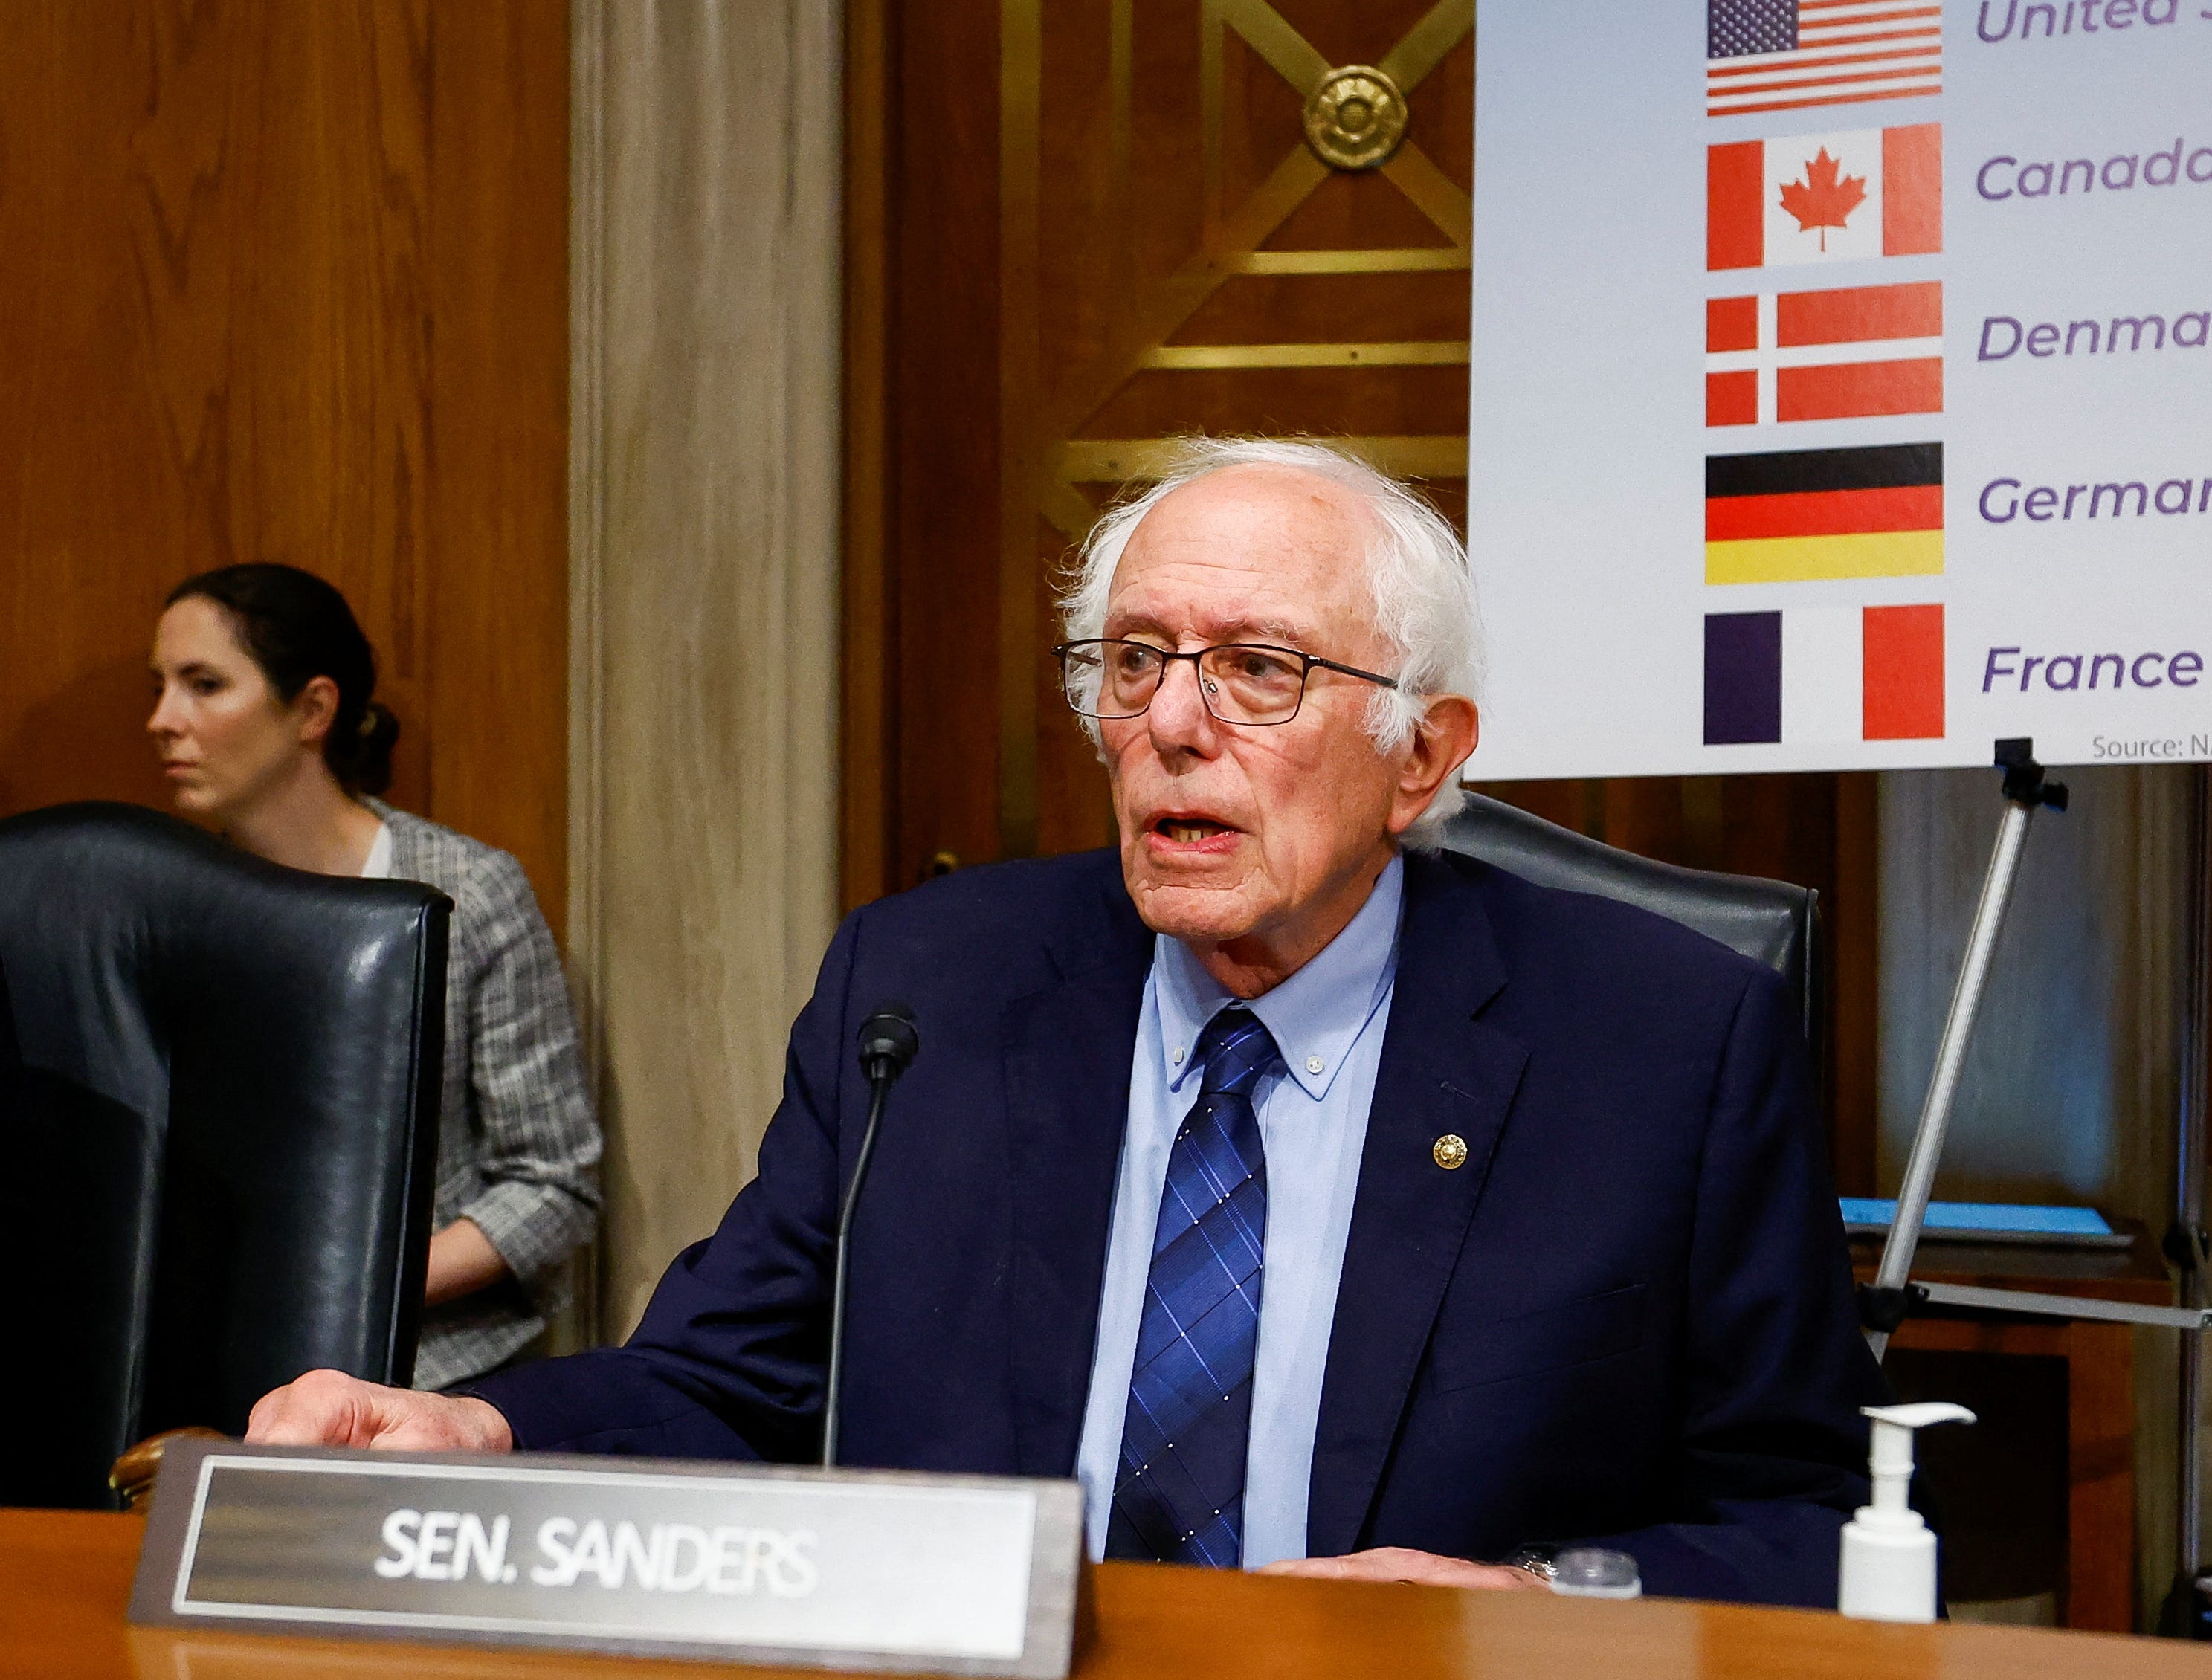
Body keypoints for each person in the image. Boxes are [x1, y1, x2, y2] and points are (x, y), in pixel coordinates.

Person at [247, 441, 1880, 1604]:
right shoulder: (932, 989)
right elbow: (735, 1383)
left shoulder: (1660, 1048)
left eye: (1256, 669)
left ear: (1422, 755)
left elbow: (1791, 1519)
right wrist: (477, 1420)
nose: (1171, 723)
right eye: (1134, 662)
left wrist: (1522, 1596)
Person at [148, 563, 602, 1390]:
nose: (162, 720)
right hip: (202, 1373)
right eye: (161, 686)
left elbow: (551, 1184)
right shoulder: (164, 900)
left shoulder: (467, 890)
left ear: (313, 709)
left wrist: (352, 1292)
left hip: (430, 1373)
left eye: (204, 685)